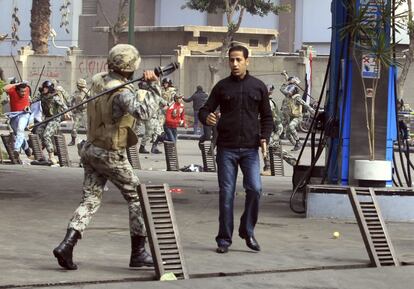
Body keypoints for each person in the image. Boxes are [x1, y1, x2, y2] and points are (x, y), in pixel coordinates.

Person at [53, 44, 160, 270]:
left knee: (90, 200)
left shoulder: (98, 80)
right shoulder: (121, 93)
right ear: (129, 67)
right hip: (111, 154)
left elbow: (119, 87)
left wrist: (139, 85)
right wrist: (153, 87)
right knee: (137, 197)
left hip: (91, 149)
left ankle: (67, 244)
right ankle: (138, 253)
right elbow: (144, 112)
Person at [199, 45, 273, 254]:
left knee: (255, 189)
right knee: (227, 194)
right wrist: (206, 117)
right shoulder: (222, 87)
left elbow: (267, 118)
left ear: (247, 61)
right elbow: (205, 109)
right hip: (226, 149)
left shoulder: (258, 87)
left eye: (238, 60)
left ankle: (247, 230)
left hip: (250, 150)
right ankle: (224, 239)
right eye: (231, 60)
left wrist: (265, 138)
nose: (234, 64)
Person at [262, 84, 296, 176]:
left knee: (272, 147)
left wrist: (274, 131)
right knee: (268, 147)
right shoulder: (265, 101)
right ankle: (268, 168)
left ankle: (294, 162)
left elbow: (272, 118)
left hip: (274, 127)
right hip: (271, 128)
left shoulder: (268, 103)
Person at [32, 80, 69, 164]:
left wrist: (67, 113)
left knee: (46, 135)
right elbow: (33, 100)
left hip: (54, 119)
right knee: (38, 133)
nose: (44, 89)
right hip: (47, 118)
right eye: (44, 88)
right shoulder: (42, 96)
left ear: (49, 88)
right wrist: (28, 102)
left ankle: (51, 156)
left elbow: (64, 106)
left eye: (46, 88)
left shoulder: (55, 97)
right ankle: (39, 155)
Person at [3, 81, 33, 160]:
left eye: (24, 91)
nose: (23, 93)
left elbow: (29, 99)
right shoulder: (12, 91)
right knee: (18, 134)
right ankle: (27, 151)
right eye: (21, 91)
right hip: (14, 115)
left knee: (20, 129)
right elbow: (4, 88)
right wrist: (17, 84)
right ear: (17, 90)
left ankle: (16, 149)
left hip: (24, 114)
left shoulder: (27, 89)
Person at [281, 83, 315, 151]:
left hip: (297, 117)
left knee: (291, 126)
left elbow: (306, 105)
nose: (289, 92)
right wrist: (287, 82)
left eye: (290, 91)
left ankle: (298, 141)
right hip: (290, 117)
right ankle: (296, 145)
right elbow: (282, 89)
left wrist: (313, 112)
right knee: (288, 134)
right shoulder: (288, 96)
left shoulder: (297, 98)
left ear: (294, 92)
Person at [139, 82, 168, 154]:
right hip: (149, 117)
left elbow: (166, 103)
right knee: (148, 133)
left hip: (155, 118)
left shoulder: (157, 97)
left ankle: (154, 147)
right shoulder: (146, 96)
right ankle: (142, 147)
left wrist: (164, 107)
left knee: (158, 132)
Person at [68, 78, 89, 146]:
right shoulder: (76, 93)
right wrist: (71, 109)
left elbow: (93, 99)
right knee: (74, 129)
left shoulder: (87, 92)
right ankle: (73, 140)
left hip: (85, 112)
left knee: (88, 129)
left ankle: (89, 142)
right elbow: (71, 101)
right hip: (78, 112)